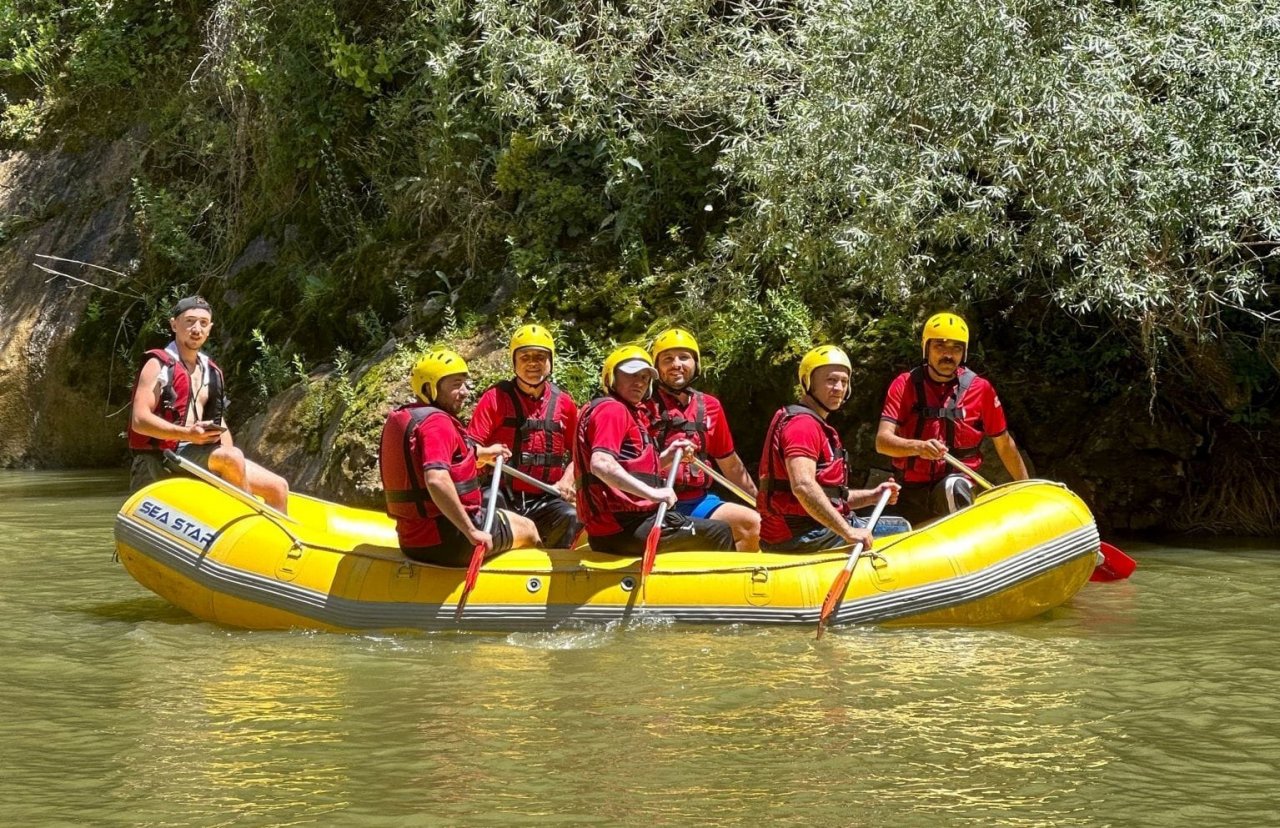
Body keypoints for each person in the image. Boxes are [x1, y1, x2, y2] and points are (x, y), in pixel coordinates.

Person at [127, 296, 290, 513]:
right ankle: (246, 519)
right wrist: (187, 434)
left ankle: (270, 542)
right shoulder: (158, 364)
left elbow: (218, 421)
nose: (197, 329)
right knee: (231, 458)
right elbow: (139, 421)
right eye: (190, 321)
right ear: (174, 324)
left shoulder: (211, 370)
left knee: (278, 487)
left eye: (203, 323)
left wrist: (232, 460)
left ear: (210, 328)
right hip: (165, 456)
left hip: (202, 452)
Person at [379, 348, 540, 565]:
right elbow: (436, 479)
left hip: (413, 540)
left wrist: (483, 453)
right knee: (528, 528)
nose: (465, 392)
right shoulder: (437, 423)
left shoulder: (408, 417)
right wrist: (471, 531)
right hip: (449, 539)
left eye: (464, 383)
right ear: (429, 388)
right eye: (456, 385)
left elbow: (450, 460)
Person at [571, 345, 735, 556]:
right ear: (611, 378)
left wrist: (666, 456)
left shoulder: (628, 412)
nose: (639, 382)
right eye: (631, 375)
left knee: (708, 529)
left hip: (624, 524)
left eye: (644, 377)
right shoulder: (612, 410)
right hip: (623, 528)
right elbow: (601, 464)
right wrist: (654, 494)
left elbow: (633, 467)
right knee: (719, 532)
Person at [875, 312, 1029, 525]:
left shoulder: (980, 389)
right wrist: (919, 447)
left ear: (963, 352)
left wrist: (1026, 487)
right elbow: (882, 442)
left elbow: (1004, 445)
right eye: (939, 346)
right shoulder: (904, 384)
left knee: (954, 486)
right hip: (909, 489)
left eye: (956, 348)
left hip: (956, 485)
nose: (948, 355)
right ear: (926, 348)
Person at [757, 345, 900, 552]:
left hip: (811, 529)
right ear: (808, 383)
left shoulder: (811, 423)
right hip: (803, 536)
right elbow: (803, 486)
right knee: (903, 529)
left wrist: (873, 496)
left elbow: (828, 497)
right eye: (831, 380)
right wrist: (848, 531)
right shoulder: (802, 426)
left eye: (844, 381)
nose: (839, 388)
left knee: (894, 523)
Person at [467, 324, 582, 548]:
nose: (532, 363)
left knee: (571, 516)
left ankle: (558, 572)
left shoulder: (565, 403)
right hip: (503, 494)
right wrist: (485, 455)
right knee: (488, 502)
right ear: (514, 362)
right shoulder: (494, 399)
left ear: (550, 361)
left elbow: (580, 453)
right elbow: (470, 450)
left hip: (547, 496)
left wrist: (568, 480)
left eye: (540, 357)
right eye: (525, 357)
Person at [647, 328, 760, 551]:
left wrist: (761, 503)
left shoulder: (710, 407)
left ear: (696, 364)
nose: (676, 364)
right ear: (657, 367)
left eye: (684, 357)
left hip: (696, 500)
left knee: (752, 524)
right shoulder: (642, 404)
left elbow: (730, 464)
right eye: (668, 359)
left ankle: (730, 582)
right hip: (652, 500)